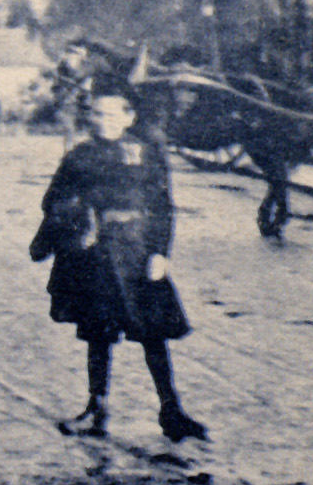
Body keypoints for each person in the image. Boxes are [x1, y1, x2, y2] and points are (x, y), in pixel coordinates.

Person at [28, 83, 206, 442]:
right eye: (96, 114)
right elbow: (53, 201)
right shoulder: (78, 155)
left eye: (111, 114)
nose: (102, 121)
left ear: (129, 118)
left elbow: (163, 205)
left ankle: (171, 409)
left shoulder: (147, 153)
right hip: (93, 254)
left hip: (137, 251)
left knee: (152, 332)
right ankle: (97, 407)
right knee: (98, 332)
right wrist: (77, 221)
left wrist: (160, 253)